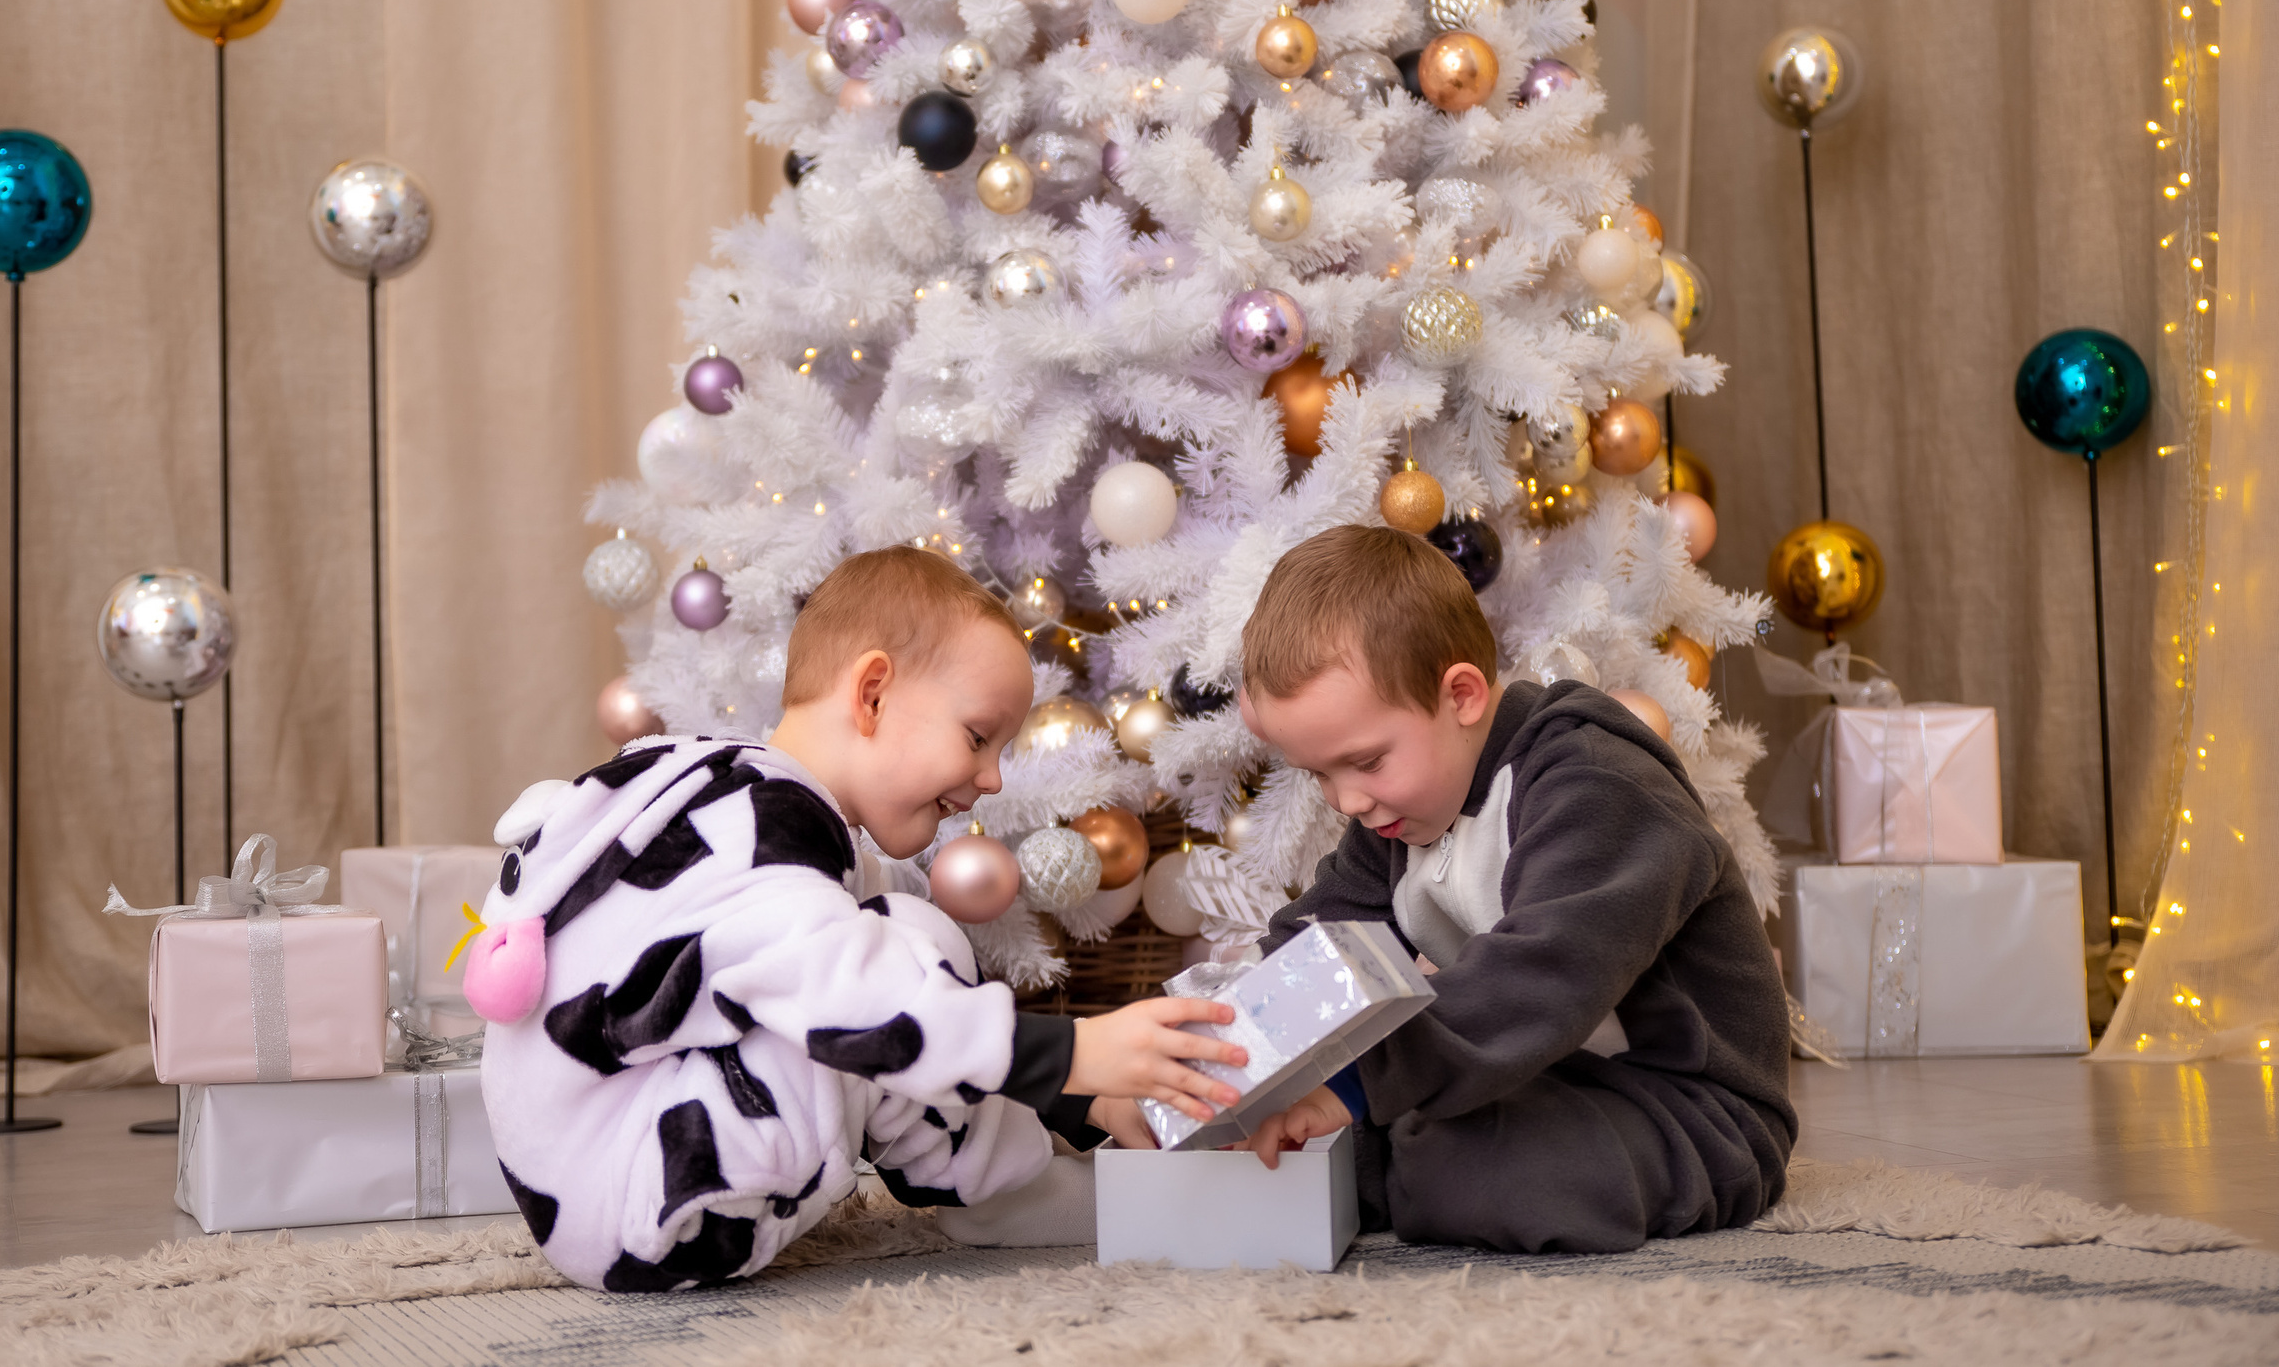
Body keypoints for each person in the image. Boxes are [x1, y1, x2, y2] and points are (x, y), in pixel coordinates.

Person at [462, 545, 1246, 1291]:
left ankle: (1016, 1176)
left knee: (890, 943)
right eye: (978, 736)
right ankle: (1010, 1200)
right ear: (871, 694)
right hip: (658, 1203)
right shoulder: (770, 825)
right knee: (895, 954)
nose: (992, 778)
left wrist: (1086, 1100)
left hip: (612, 1176)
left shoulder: (713, 792)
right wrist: (1075, 1053)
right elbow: (854, 997)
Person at [1231, 523, 1795, 1253]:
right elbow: (1318, 949)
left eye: (1365, 760)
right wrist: (1222, 1055)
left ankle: (1411, 1164)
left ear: (1461, 694)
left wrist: (1359, 1086)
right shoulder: (1399, 816)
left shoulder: (1593, 782)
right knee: (1311, 1144)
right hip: (1526, 1082)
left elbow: (1540, 976)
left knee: (1458, 1159)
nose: (1348, 801)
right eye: (1321, 775)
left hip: (1691, 1108)